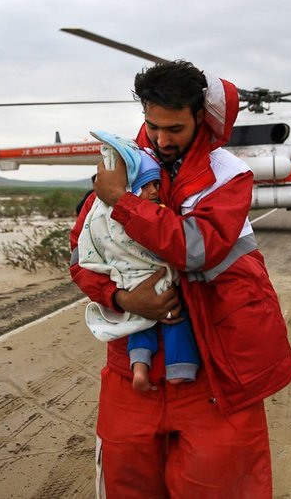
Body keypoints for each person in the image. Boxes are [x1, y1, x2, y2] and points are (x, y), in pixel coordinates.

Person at [69, 60, 291, 498]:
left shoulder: (229, 176)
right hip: (133, 368)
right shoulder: (123, 168)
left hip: (216, 367)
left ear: (200, 118)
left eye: (175, 128)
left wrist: (122, 202)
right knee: (125, 484)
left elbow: (197, 249)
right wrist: (121, 298)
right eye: (153, 126)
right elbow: (81, 258)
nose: (161, 139)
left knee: (219, 485)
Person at [77, 132, 199, 392]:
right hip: (159, 288)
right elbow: (80, 264)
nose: (155, 190)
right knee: (176, 320)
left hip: (132, 289)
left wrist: (127, 300)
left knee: (139, 327)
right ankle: (181, 367)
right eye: (148, 185)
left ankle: (139, 366)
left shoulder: (101, 214)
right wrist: (121, 299)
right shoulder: (102, 205)